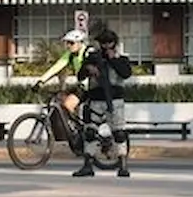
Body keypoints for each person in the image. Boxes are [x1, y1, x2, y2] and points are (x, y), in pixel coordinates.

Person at [74, 28, 133, 178]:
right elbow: (80, 75)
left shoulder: (122, 59)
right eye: (103, 43)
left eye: (109, 42)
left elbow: (126, 73)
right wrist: (88, 68)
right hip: (95, 100)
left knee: (119, 133)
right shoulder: (92, 57)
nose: (106, 46)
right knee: (90, 132)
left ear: (114, 43)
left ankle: (123, 165)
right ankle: (88, 165)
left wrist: (114, 59)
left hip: (115, 100)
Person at [32, 29, 90, 113]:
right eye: (67, 43)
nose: (69, 46)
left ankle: (76, 125)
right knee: (60, 97)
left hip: (90, 87)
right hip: (81, 85)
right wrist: (41, 81)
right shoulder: (70, 55)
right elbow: (56, 67)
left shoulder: (88, 53)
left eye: (71, 43)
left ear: (80, 42)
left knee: (68, 104)